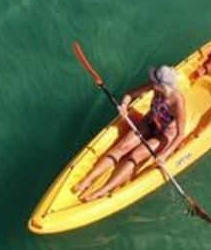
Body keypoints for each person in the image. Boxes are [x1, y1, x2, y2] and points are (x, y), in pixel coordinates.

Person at [72, 64, 189, 202]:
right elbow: (130, 94)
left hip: (164, 135)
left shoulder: (178, 101)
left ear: (163, 86)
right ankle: (88, 180)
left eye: (155, 82)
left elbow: (180, 134)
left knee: (136, 154)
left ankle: (103, 190)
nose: (152, 82)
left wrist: (165, 154)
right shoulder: (154, 86)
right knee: (123, 146)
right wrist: (124, 105)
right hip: (150, 122)